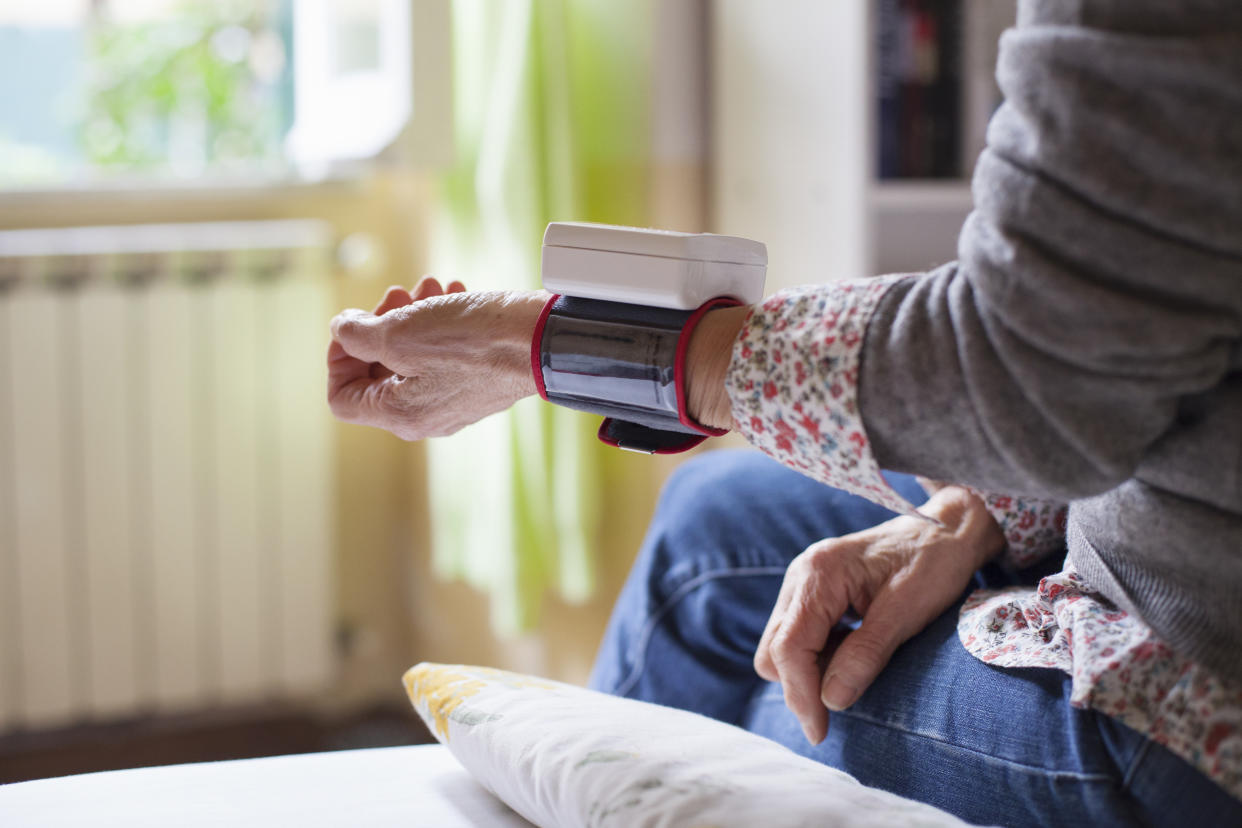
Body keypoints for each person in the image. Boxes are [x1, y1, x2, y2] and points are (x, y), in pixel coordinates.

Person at [327, 1, 1241, 824]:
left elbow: (1024, 366)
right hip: (1145, 508)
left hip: (1199, 692)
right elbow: (1132, 327)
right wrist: (980, 512)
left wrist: (537, 347)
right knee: (711, 515)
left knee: (743, 707)